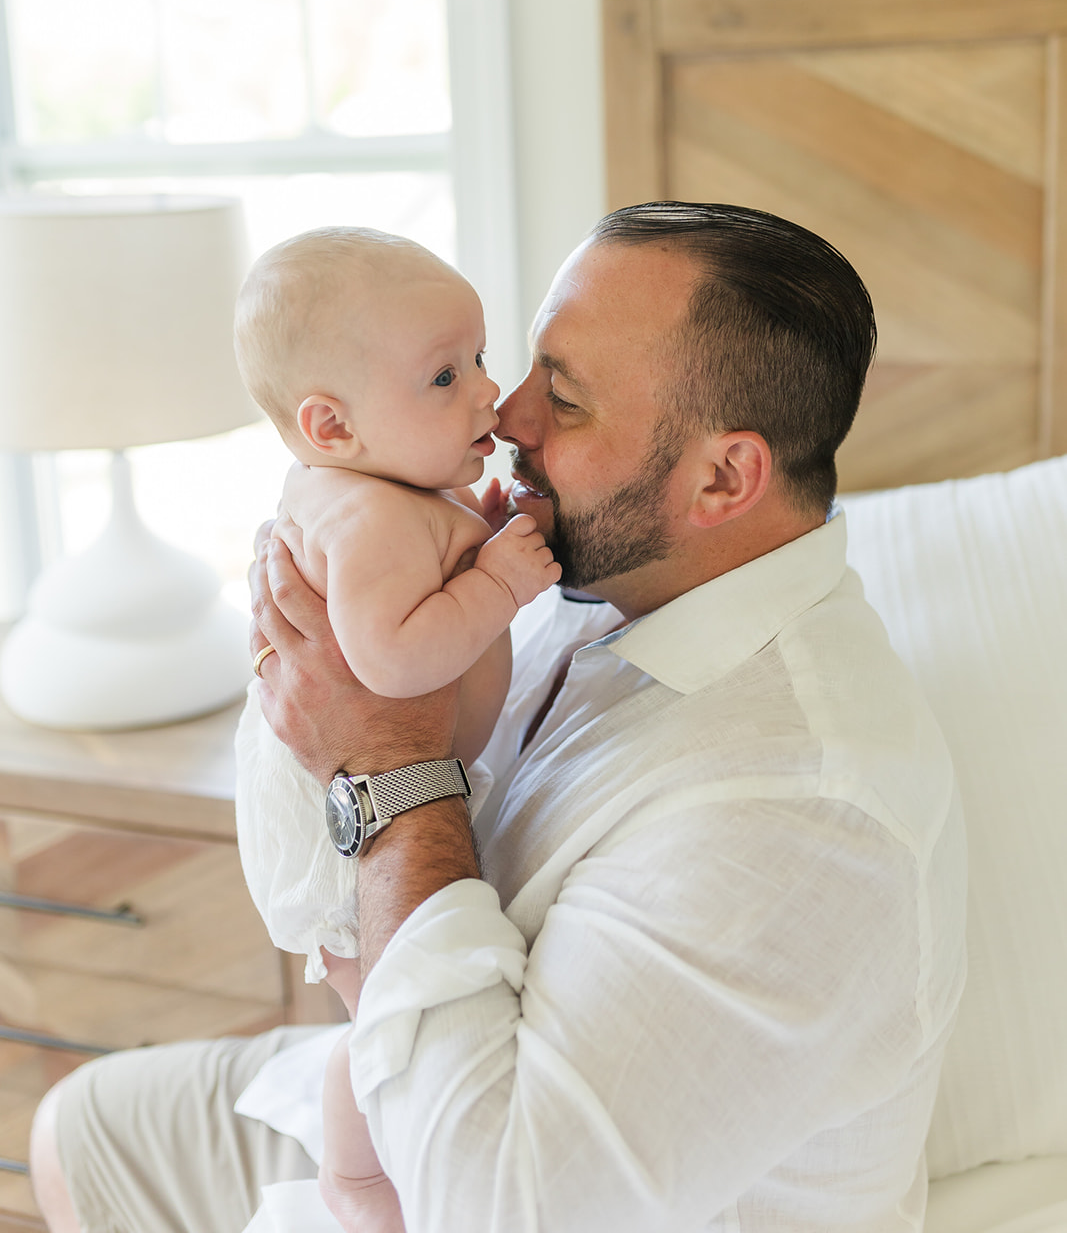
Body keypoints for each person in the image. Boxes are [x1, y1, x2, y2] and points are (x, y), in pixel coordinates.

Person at [31, 201, 967, 1233]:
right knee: (79, 1124)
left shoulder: (799, 819)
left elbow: (495, 1207)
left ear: (719, 478)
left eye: (560, 398)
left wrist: (386, 765)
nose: (504, 415)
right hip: (411, 1052)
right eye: (511, 365)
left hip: (476, 1167)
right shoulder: (619, 575)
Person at [230, 226, 558, 982]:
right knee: (375, 1010)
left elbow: (428, 565)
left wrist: (481, 531)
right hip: (339, 805)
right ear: (333, 427)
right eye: (444, 377)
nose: (488, 393)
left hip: (360, 786)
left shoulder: (388, 485)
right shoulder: (368, 516)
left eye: (477, 358)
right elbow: (393, 659)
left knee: (376, 1013)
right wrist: (498, 584)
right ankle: (350, 1106)